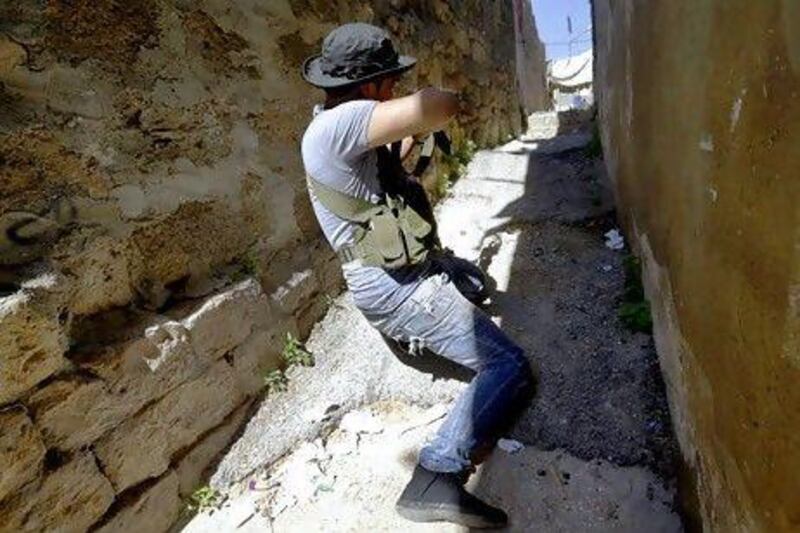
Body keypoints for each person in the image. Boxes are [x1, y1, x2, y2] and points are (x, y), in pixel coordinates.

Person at [300, 22, 534, 529]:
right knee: (510, 367)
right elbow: (438, 104)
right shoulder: (346, 121)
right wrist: (422, 109)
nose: (393, 90)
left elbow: (391, 175)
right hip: (399, 290)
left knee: (473, 283)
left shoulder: (331, 128)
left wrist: (408, 141)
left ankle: (432, 326)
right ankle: (435, 475)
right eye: (389, 81)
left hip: (396, 273)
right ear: (370, 86)